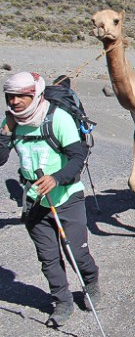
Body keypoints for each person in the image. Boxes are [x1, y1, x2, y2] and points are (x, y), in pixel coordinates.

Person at [0, 72, 99, 328]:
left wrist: (56, 178)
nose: (14, 102)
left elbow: (77, 158)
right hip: (33, 200)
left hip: (66, 196)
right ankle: (62, 301)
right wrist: (4, 133)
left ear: (34, 94)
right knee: (48, 257)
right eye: (10, 96)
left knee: (76, 252)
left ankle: (90, 283)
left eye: (21, 96)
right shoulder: (12, 122)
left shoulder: (58, 118)